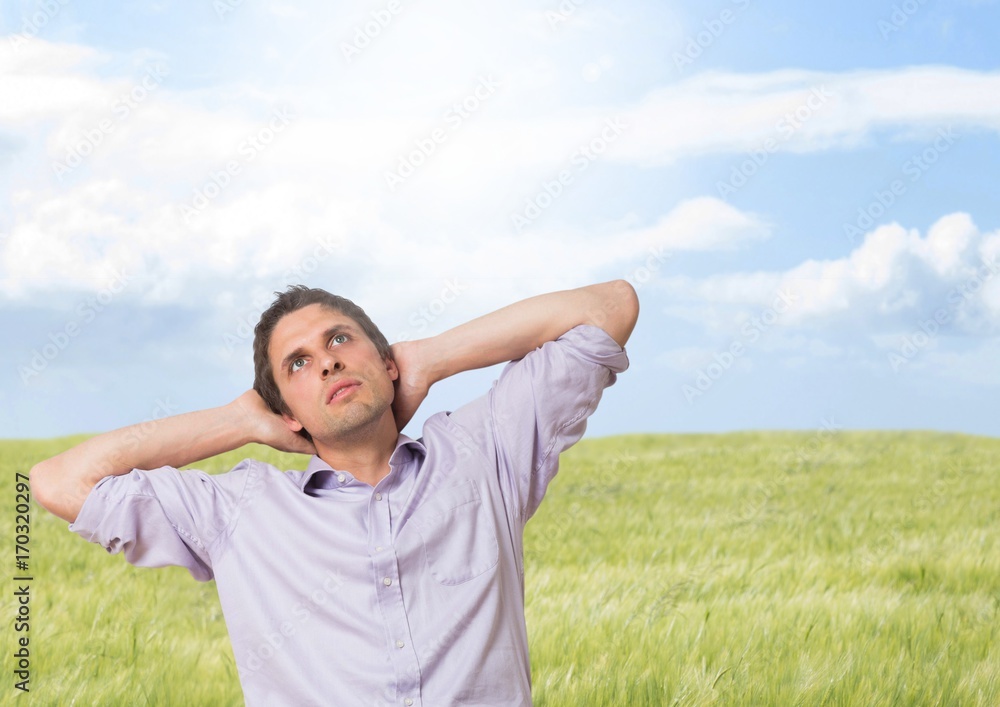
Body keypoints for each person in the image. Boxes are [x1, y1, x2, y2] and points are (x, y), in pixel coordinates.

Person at [30, 279, 639, 706]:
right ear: (285, 413)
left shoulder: (486, 454)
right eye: (297, 364)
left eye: (340, 341)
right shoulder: (241, 511)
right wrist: (240, 420)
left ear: (385, 360)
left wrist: (429, 358)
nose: (325, 363)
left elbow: (610, 305)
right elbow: (58, 482)